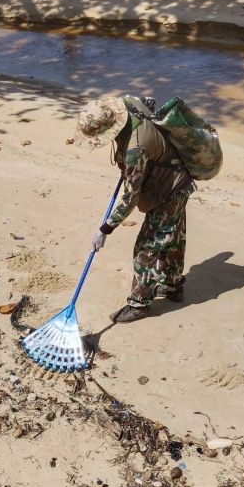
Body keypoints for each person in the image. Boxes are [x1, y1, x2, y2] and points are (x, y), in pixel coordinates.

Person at [75, 96, 195, 323]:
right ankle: (173, 286)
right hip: (176, 181)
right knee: (174, 238)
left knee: (147, 247)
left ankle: (139, 304)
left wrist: (105, 228)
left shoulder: (135, 149)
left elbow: (130, 198)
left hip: (169, 190)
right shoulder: (129, 106)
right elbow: (148, 102)